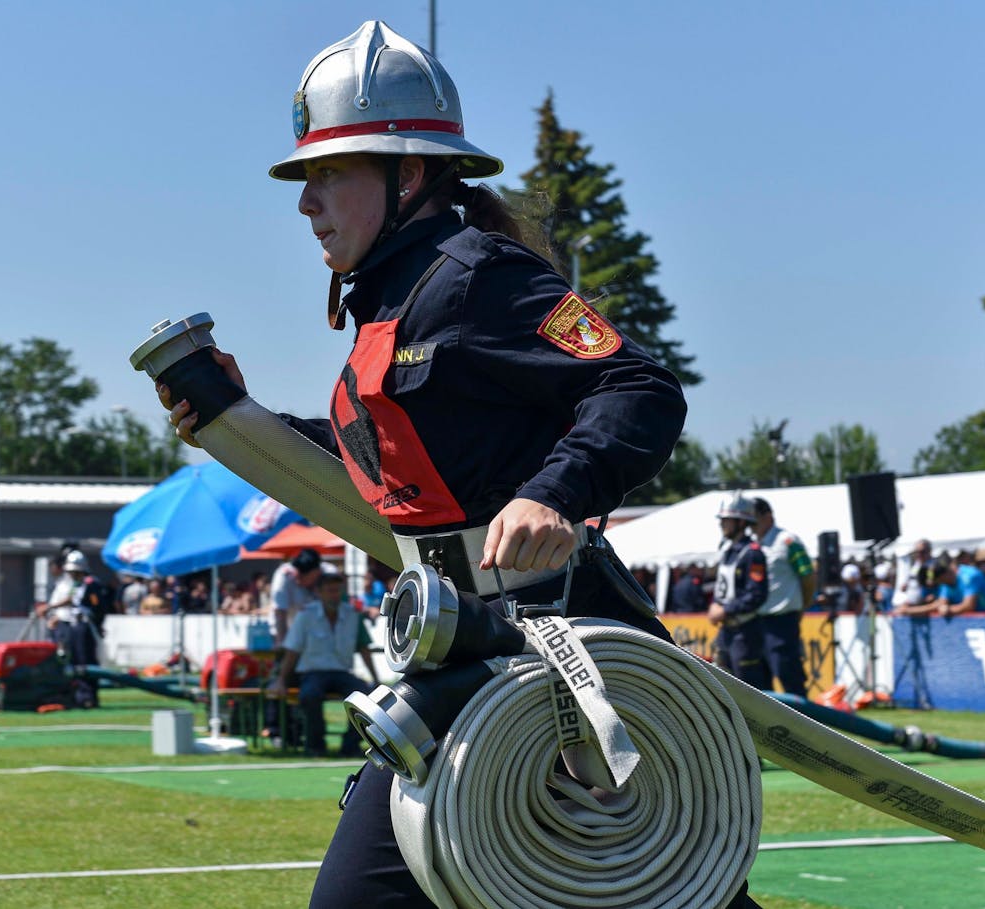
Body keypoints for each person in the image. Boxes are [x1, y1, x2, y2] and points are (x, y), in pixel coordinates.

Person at [157, 21, 735, 908]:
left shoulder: (481, 275)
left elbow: (638, 385)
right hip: (456, 652)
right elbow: (378, 470)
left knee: (652, 888)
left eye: (330, 174)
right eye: (307, 177)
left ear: (411, 174)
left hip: (561, 650)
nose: (307, 202)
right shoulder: (392, 303)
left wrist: (556, 495)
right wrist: (240, 421)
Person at [268, 569, 378, 758]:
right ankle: (315, 745)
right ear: (319, 592)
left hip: (342, 672)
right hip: (313, 672)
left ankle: (350, 745)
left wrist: (375, 679)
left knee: (367, 696)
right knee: (310, 695)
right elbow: (292, 651)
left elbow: (363, 648)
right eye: (330, 591)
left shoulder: (353, 614)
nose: (335, 595)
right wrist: (281, 680)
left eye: (337, 590)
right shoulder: (306, 615)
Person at [750, 497, 815, 696]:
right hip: (757, 622)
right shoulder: (753, 546)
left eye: (754, 520)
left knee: (791, 680)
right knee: (760, 686)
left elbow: (808, 576)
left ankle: (805, 727)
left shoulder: (788, 541)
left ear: (767, 517)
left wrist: (802, 607)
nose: (750, 526)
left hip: (782, 622)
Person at [707, 494, 771, 688]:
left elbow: (757, 594)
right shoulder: (728, 552)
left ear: (741, 522)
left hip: (745, 634)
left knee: (749, 691)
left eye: (726, 520)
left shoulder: (752, 553)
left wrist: (725, 610)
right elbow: (724, 589)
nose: (722, 524)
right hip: (726, 633)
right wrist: (715, 605)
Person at [897, 555, 985, 617]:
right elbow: (939, 605)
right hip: (977, 623)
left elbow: (968, 606)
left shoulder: (970, 576)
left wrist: (949, 610)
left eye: (937, 582)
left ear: (944, 575)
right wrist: (909, 610)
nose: (938, 585)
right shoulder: (946, 583)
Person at [269, 548, 323, 641]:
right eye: (297, 575)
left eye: (302, 577)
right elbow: (280, 613)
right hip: (286, 632)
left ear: (316, 572)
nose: (297, 580)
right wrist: (283, 645)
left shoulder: (328, 574)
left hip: (315, 636)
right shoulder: (284, 576)